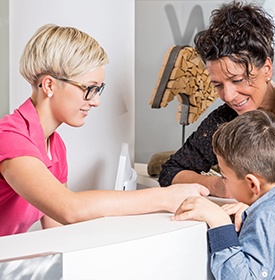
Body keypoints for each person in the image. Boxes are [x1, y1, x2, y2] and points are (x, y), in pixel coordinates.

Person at [0, 24, 209, 237]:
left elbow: (57, 229)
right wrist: (165, 197)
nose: (96, 101)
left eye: (98, 90)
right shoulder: (10, 139)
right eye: (89, 89)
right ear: (49, 86)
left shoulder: (55, 146)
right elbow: (68, 209)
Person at [173, 110, 275, 279]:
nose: (223, 181)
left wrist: (220, 223)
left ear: (252, 183)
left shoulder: (269, 216)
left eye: (224, 176)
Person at [158, 1, 275, 197]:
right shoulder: (224, 120)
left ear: (267, 69)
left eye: (237, 80)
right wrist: (215, 185)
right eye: (218, 85)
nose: (228, 96)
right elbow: (170, 172)